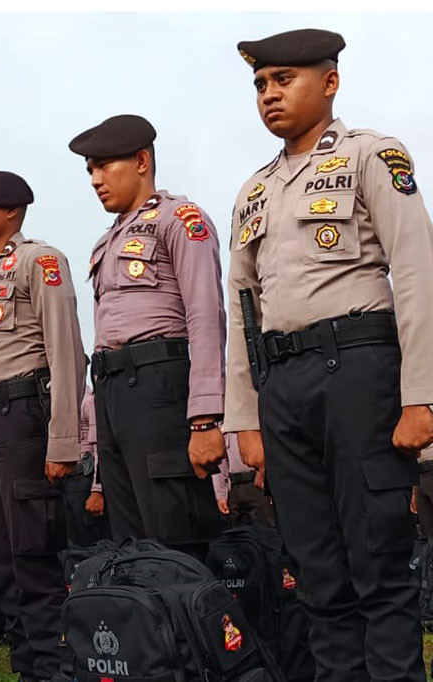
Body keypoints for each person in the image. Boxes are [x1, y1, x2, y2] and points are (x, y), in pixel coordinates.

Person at [225, 29, 433, 681]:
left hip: (360, 368)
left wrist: (421, 394)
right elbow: (242, 310)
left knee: (379, 566)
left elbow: (417, 270)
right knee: (316, 575)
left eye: (284, 79)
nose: (269, 94)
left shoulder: (372, 155)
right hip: (283, 382)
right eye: (260, 84)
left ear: (330, 82)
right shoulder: (253, 192)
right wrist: (244, 417)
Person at [70, 114, 226, 557]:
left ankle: (189, 625)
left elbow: (206, 317)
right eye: (90, 171)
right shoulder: (107, 241)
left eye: (104, 166)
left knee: (174, 529)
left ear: (141, 160)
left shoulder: (179, 218)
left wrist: (205, 417)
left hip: (160, 383)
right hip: (113, 388)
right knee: (129, 539)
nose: (96, 180)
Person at [0, 171, 84, 682]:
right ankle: (29, 670)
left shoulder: (39, 260)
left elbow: (67, 351)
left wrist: (64, 440)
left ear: (11, 211)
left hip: (22, 419)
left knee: (33, 559)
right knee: (1, 563)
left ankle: (54, 670)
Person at [62, 384, 109, 548]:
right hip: (66, 482)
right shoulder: (61, 402)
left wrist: (97, 490)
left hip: (85, 480)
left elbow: (100, 447)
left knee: (91, 542)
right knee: (72, 543)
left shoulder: (87, 401)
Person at [211, 433, 273, 526]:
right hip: (234, 489)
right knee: (237, 532)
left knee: (265, 529)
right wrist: (221, 495)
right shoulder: (224, 425)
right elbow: (221, 461)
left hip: (257, 484)